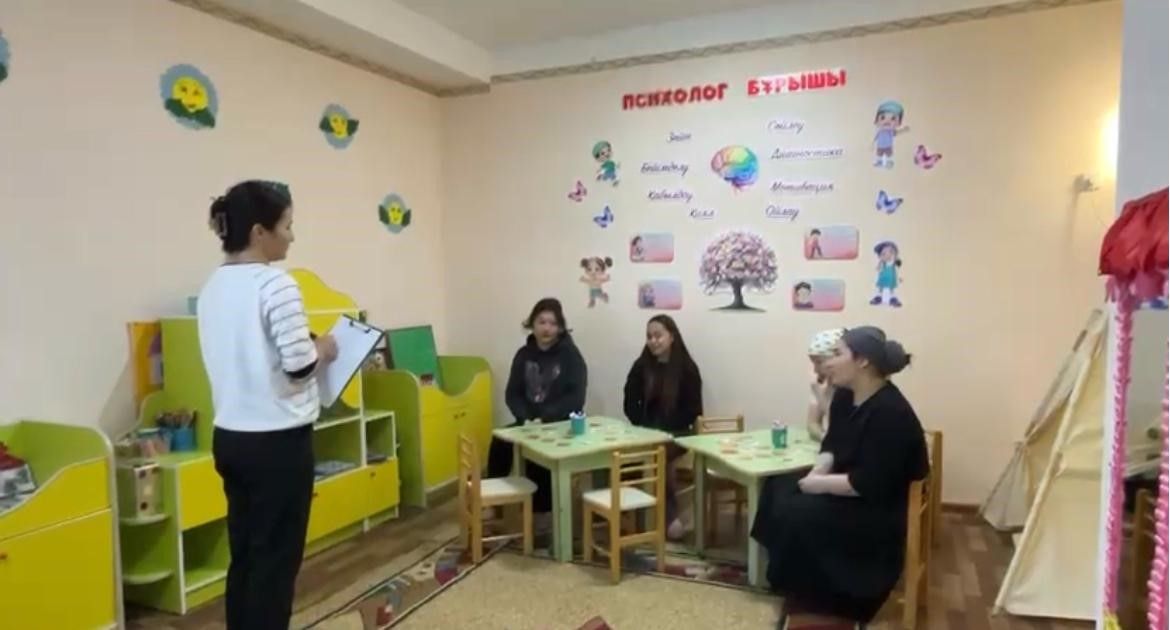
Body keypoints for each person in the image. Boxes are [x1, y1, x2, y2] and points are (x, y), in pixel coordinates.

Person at [197, 180, 339, 630]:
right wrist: (325, 350)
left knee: (246, 555)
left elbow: (253, 354)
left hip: (231, 438)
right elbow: (299, 368)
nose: (292, 237)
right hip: (277, 444)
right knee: (276, 565)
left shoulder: (212, 287)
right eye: (287, 226)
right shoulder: (275, 283)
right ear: (259, 232)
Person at [751, 326, 928, 628]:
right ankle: (793, 577)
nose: (828, 363)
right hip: (851, 488)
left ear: (863, 362)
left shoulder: (891, 412)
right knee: (777, 486)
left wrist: (817, 485)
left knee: (797, 510)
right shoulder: (846, 397)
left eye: (837, 354)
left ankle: (831, 591)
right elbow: (832, 444)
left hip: (877, 510)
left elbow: (868, 483)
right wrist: (817, 472)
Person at [486, 298, 588, 518]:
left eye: (552, 323)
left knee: (540, 457)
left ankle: (543, 513)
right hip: (528, 422)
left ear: (560, 327)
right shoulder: (523, 355)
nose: (546, 328)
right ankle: (494, 504)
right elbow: (512, 393)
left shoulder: (571, 355)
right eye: (542, 322)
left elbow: (576, 397)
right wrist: (525, 417)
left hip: (560, 424)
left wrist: (546, 417)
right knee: (500, 441)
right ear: (532, 324)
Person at [622, 315, 703, 540]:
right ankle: (631, 512)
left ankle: (667, 518)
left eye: (658, 336)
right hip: (646, 431)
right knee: (623, 456)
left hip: (679, 433)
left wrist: (664, 430)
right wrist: (643, 426)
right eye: (649, 336)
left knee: (659, 456)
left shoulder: (687, 368)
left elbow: (693, 410)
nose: (653, 341)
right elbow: (630, 402)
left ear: (672, 337)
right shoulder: (641, 366)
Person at [806, 328, 845, 442]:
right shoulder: (823, 385)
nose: (815, 370)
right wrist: (824, 437)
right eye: (813, 363)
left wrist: (819, 395)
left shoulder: (852, 386)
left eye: (819, 362)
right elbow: (812, 423)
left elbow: (844, 426)